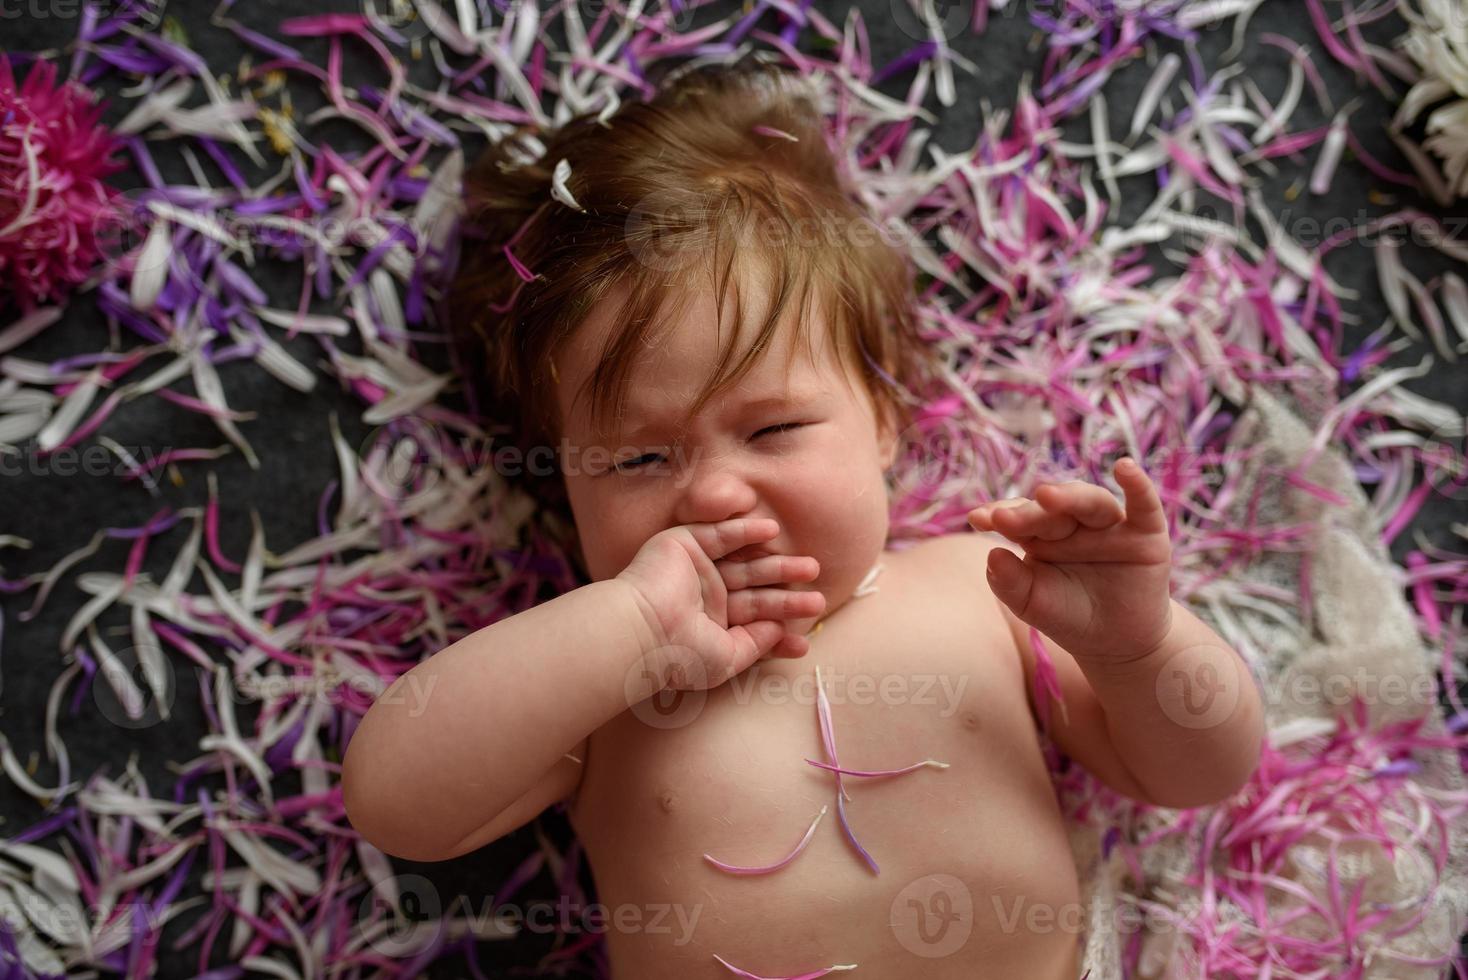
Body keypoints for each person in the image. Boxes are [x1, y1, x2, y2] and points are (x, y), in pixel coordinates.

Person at [341, 56, 1264, 979]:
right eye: (639, 458)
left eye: (773, 428)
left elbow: (1194, 774)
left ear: (885, 417)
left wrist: (1138, 649)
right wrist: (626, 631)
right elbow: (395, 804)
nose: (712, 495)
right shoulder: (602, 686)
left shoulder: (986, 587)